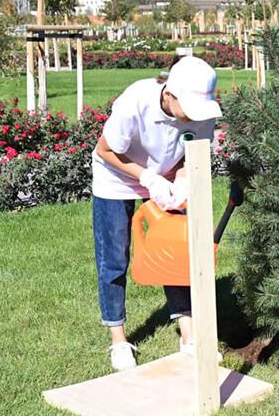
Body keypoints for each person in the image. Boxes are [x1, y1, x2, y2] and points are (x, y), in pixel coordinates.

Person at [92, 56, 221, 371]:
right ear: (169, 94)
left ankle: (189, 337)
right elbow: (105, 150)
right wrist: (149, 178)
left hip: (167, 178)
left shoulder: (201, 111)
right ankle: (119, 340)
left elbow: (192, 153)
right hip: (116, 177)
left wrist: (181, 181)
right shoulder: (135, 102)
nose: (194, 116)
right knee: (114, 258)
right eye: (188, 107)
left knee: (177, 254)